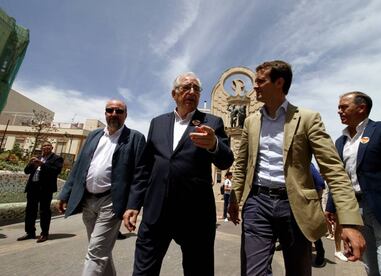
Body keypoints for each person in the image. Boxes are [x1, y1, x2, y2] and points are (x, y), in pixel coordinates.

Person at [228, 60, 365, 276]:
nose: (254, 86)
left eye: (261, 81)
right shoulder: (250, 122)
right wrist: (235, 199)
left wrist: (349, 222)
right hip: (257, 204)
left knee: (298, 270)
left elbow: (333, 169)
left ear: (279, 82)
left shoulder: (308, 119)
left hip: (296, 207)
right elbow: (242, 164)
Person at [123, 72, 234, 276]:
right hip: (156, 213)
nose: (191, 92)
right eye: (186, 87)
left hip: (195, 216)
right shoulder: (158, 123)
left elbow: (226, 160)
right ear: (174, 94)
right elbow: (145, 167)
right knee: (143, 271)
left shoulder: (212, 122)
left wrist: (214, 145)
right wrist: (133, 204)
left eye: (196, 89)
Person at [326, 91, 381, 275]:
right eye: (339, 107)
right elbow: (339, 177)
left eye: (344, 107)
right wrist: (331, 206)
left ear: (361, 108)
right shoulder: (340, 142)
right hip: (356, 213)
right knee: (370, 267)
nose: (339, 111)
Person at [57, 99, 146, 276]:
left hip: (111, 202)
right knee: (98, 250)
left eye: (119, 111)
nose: (114, 114)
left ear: (125, 115)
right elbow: (79, 165)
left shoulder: (135, 138)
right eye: (110, 110)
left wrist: (133, 206)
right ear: (105, 113)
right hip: (88, 201)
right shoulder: (94, 135)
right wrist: (65, 193)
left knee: (96, 253)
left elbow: (140, 175)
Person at [17, 141, 63, 243]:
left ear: (52, 147)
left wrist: (42, 164)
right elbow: (26, 171)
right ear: (41, 148)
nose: (46, 147)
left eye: (48, 146)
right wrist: (30, 163)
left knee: (44, 211)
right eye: (44, 146)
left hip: (45, 189)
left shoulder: (57, 159)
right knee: (30, 211)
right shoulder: (37, 157)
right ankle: (30, 232)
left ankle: (44, 234)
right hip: (33, 188)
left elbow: (56, 171)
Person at [310, 163, 326, 268]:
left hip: (307, 203)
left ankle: (320, 252)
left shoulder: (308, 165)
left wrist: (317, 201)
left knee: (313, 230)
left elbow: (320, 183)